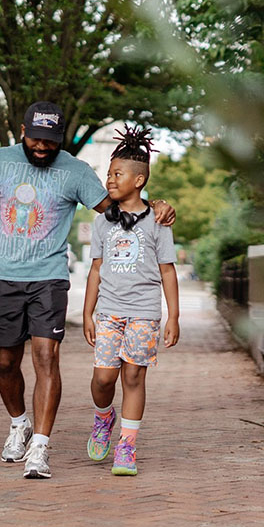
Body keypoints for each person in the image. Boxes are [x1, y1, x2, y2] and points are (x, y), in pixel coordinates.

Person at [0, 102, 174, 479]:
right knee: (5, 363)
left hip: (49, 277)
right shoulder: (1, 161)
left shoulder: (76, 171)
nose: (42, 147)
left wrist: (158, 204)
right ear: (21, 131)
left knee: (46, 358)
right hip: (3, 276)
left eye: (50, 141)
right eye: (36, 138)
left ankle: (40, 447)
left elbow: (120, 203)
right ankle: (19, 423)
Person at [82, 126, 180, 476]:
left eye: (117, 174)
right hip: (108, 311)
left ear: (138, 180)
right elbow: (95, 270)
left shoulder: (158, 221)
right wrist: (87, 313)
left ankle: (127, 446)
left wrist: (173, 317)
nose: (110, 179)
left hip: (144, 313)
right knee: (104, 379)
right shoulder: (101, 223)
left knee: (135, 377)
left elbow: (168, 271)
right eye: (109, 174)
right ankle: (103, 417)